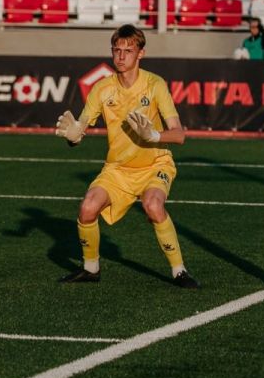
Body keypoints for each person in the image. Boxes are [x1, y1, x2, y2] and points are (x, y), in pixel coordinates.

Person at [54, 24, 200, 288]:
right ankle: (90, 269)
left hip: (154, 164)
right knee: (87, 208)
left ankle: (179, 271)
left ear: (141, 53)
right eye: (116, 50)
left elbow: (179, 135)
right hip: (118, 169)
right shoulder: (102, 89)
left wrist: (153, 136)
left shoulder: (155, 84)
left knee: (153, 206)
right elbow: (80, 128)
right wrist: (73, 136)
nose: (121, 56)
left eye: (128, 51)